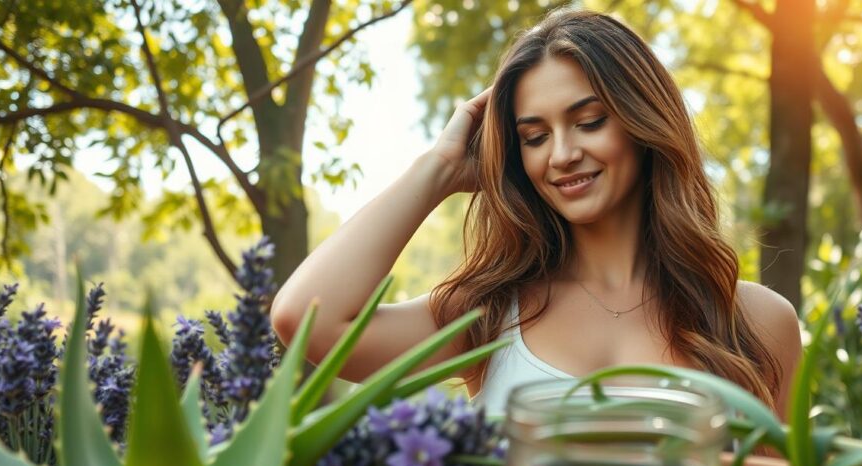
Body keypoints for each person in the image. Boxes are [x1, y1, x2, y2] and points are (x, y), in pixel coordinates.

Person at [271, 9, 801, 417]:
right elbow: (304, 320)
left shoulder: (755, 322)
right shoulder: (490, 311)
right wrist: (438, 169)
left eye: (590, 121)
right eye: (534, 136)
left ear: (644, 125)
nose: (562, 154)